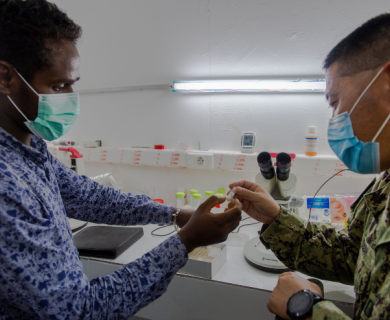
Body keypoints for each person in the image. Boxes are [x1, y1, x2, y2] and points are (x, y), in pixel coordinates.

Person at [0, 1, 242, 319]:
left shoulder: (30, 146)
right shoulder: (6, 184)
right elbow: (79, 312)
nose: (71, 97)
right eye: (58, 86)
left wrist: (173, 214)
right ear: (5, 77)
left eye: (73, 84)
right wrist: (187, 240)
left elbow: (87, 196)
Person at [229, 13, 390, 320]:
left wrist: (306, 308)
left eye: (334, 101)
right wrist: (276, 220)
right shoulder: (385, 182)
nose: (334, 121)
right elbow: (350, 254)